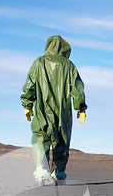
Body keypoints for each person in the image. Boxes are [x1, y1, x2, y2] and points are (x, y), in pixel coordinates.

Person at [21, 35, 87, 185]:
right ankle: (59, 175)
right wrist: (81, 108)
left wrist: (27, 105)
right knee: (62, 141)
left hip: (42, 109)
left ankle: (40, 174)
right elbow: (77, 89)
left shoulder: (38, 63)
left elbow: (29, 85)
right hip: (63, 111)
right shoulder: (69, 65)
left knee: (40, 137)